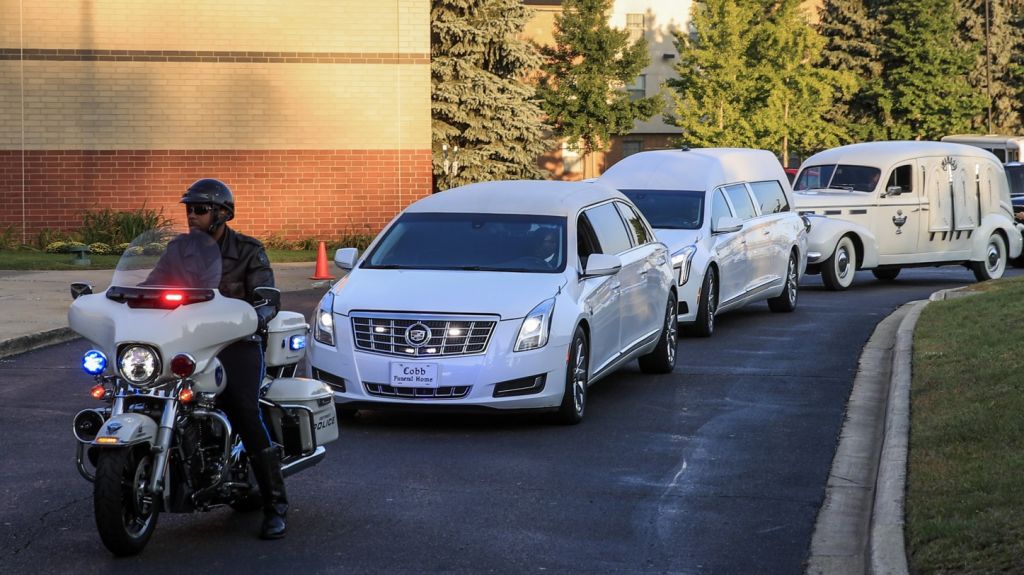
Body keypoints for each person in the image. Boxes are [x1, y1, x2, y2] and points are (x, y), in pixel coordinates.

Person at [180, 178, 288, 540]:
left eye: (200, 209)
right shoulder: (179, 249)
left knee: (242, 407)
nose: (191, 216)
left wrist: (259, 312)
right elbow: (151, 283)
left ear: (222, 213)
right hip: (186, 342)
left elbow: (266, 294)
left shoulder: (247, 249)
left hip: (236, 342)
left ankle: (276, 506)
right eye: (189, 209)